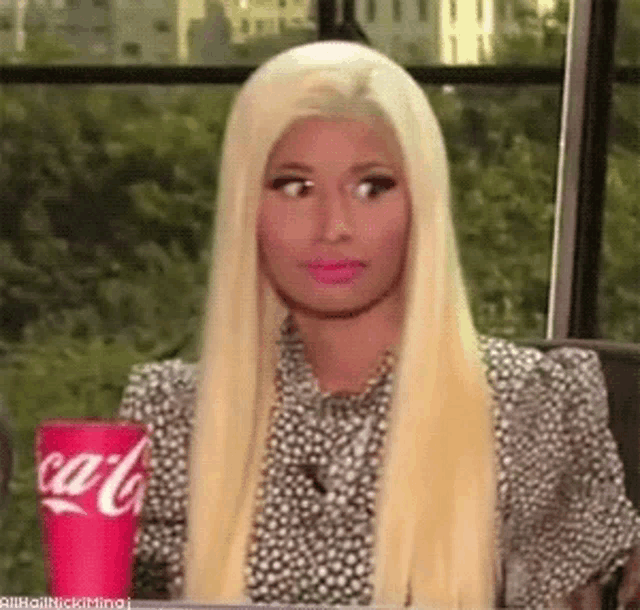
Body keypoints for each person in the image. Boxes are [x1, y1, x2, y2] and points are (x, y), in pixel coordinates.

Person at [117, 40, 640, 608]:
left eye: (372, 187)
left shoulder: (528, 406)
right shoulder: (172, 418)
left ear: (423, 201)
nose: (333, 225)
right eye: (295, 187)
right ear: (247, 206)